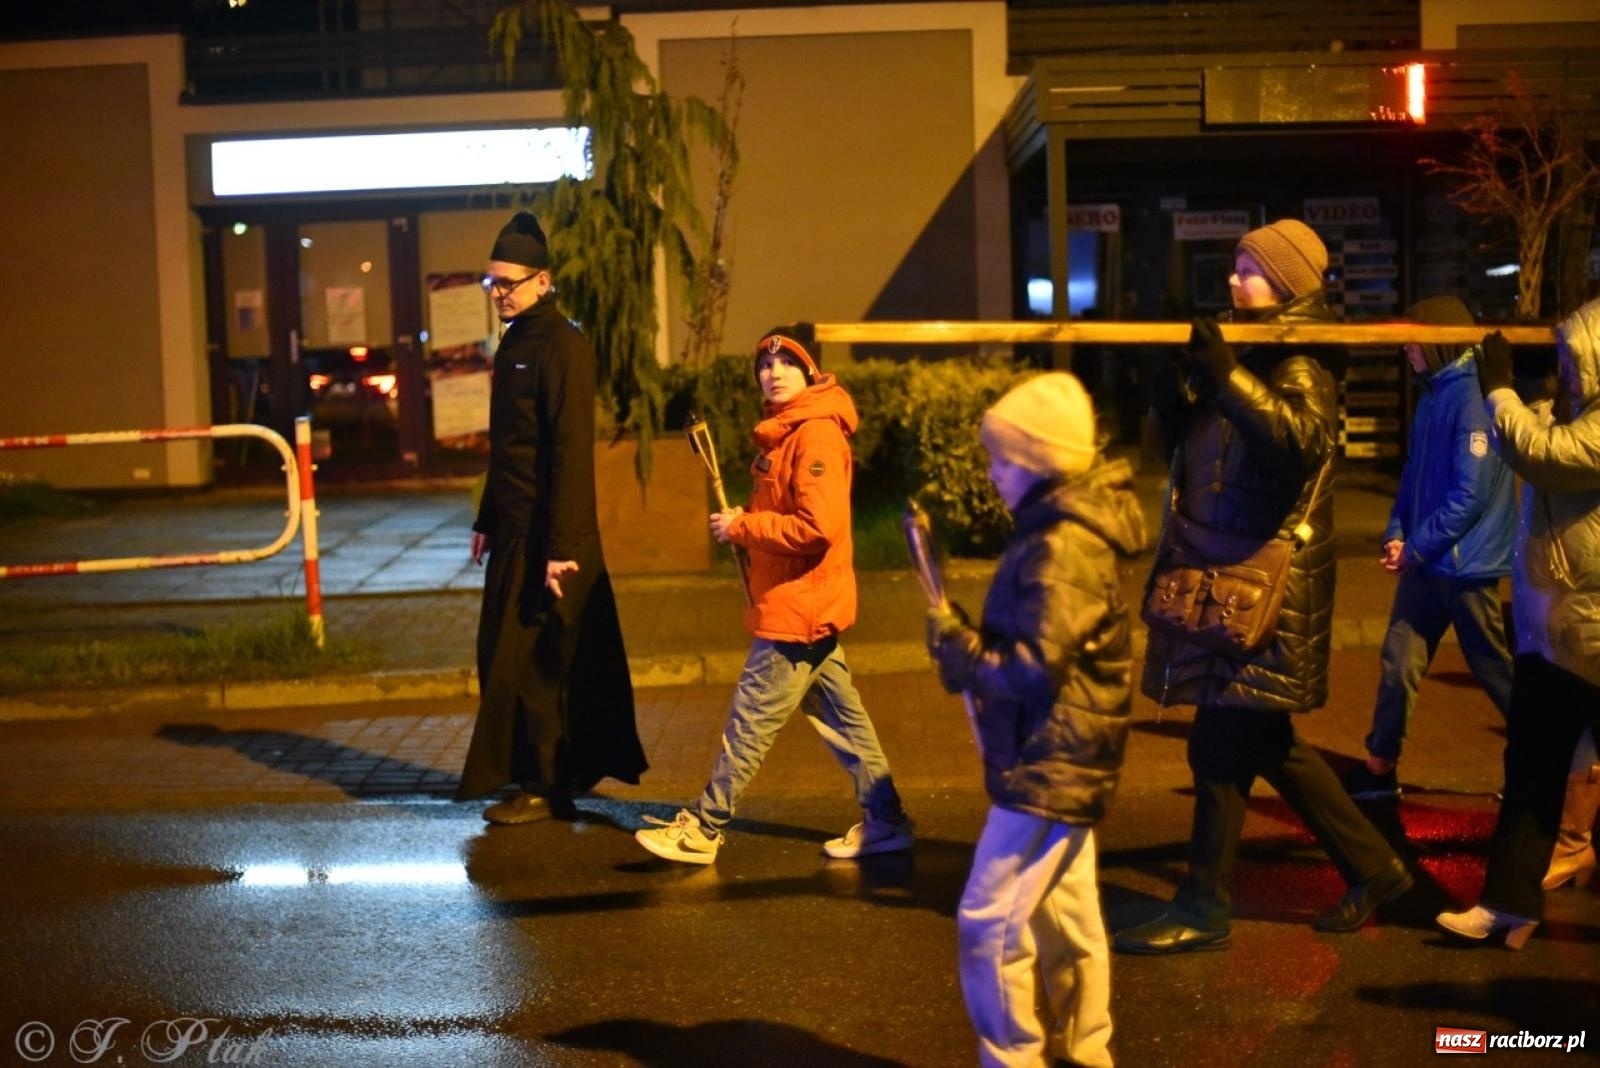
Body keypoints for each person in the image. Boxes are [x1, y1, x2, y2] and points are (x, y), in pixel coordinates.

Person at [1113, 218, 1413, 955]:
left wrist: (1225, 375)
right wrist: (1168, 396)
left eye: (1248, 270)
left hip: (1266, 584)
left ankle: (1203, 904)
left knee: (1220, 746)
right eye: (1237, 266)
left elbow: (1296, 446)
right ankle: (1373, 868)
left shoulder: (1302, 362)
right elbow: (1179, 453)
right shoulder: (1251, 352)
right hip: (1230, 575)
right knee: (1261, 740)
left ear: (1286, 283)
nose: (1232, 280)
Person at [926, 373, 1145, 1068]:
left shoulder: (1064, 546)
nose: (991, 474)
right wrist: (965, 636)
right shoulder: (1059, 531)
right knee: (1068, 920)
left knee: (989, 921)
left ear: (1039, 462)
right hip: (1063, 756)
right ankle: (1088, 1053)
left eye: (1001, 460)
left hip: (1051, 761)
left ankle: (1013, 1058)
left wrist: (961, 652)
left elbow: (1030, 668)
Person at [634, 323, 912, 864]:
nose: (773, 372)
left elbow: (817, 527)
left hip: (798, 608)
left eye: (786, 363)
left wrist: (744, 528)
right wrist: (750, 525)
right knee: (846, 724)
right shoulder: (787, 431)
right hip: (804, 603)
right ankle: (888, 821)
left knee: (749, 723)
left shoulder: (815, 436)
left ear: (810, 372)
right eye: (764, 364)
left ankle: (703, 830)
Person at [457, 211, 647, 823]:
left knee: (537, 665)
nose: (499, 294)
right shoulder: (515, 343)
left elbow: (568, 451)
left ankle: (543, 786)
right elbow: (506, 445)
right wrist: (487, 517)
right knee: (503, 657)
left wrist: (562, 546)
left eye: (508, 283)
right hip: (515, 532)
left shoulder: (564, 346)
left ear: (544, 281)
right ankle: (536, 778)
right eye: (491, 284)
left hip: (551, 539)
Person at [1436, 298, 1600, 947]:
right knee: (1531, 765)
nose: (1564, 369)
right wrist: (1529, 393)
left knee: (1549, 762)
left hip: (1590, 628)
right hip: (1556, 624)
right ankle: (1508, 901)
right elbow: (1549, 441)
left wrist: (1503, 390)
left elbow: (1544, 455)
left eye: (1570, 357)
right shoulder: (1580, 416)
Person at [1342, 295, 1516, 801]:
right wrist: (1396, 532)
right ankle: (1379, 767)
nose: (1406, 349)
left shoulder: (1471, 398)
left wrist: (1412, 547)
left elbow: (1471, 495)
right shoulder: (1434, 393)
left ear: (1438, 342)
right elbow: (1413, 476)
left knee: (1495, 671)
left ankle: (1551, 769)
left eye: (1414, 340)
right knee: (1399, 659)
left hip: (1464, 567)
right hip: (1429, 561)